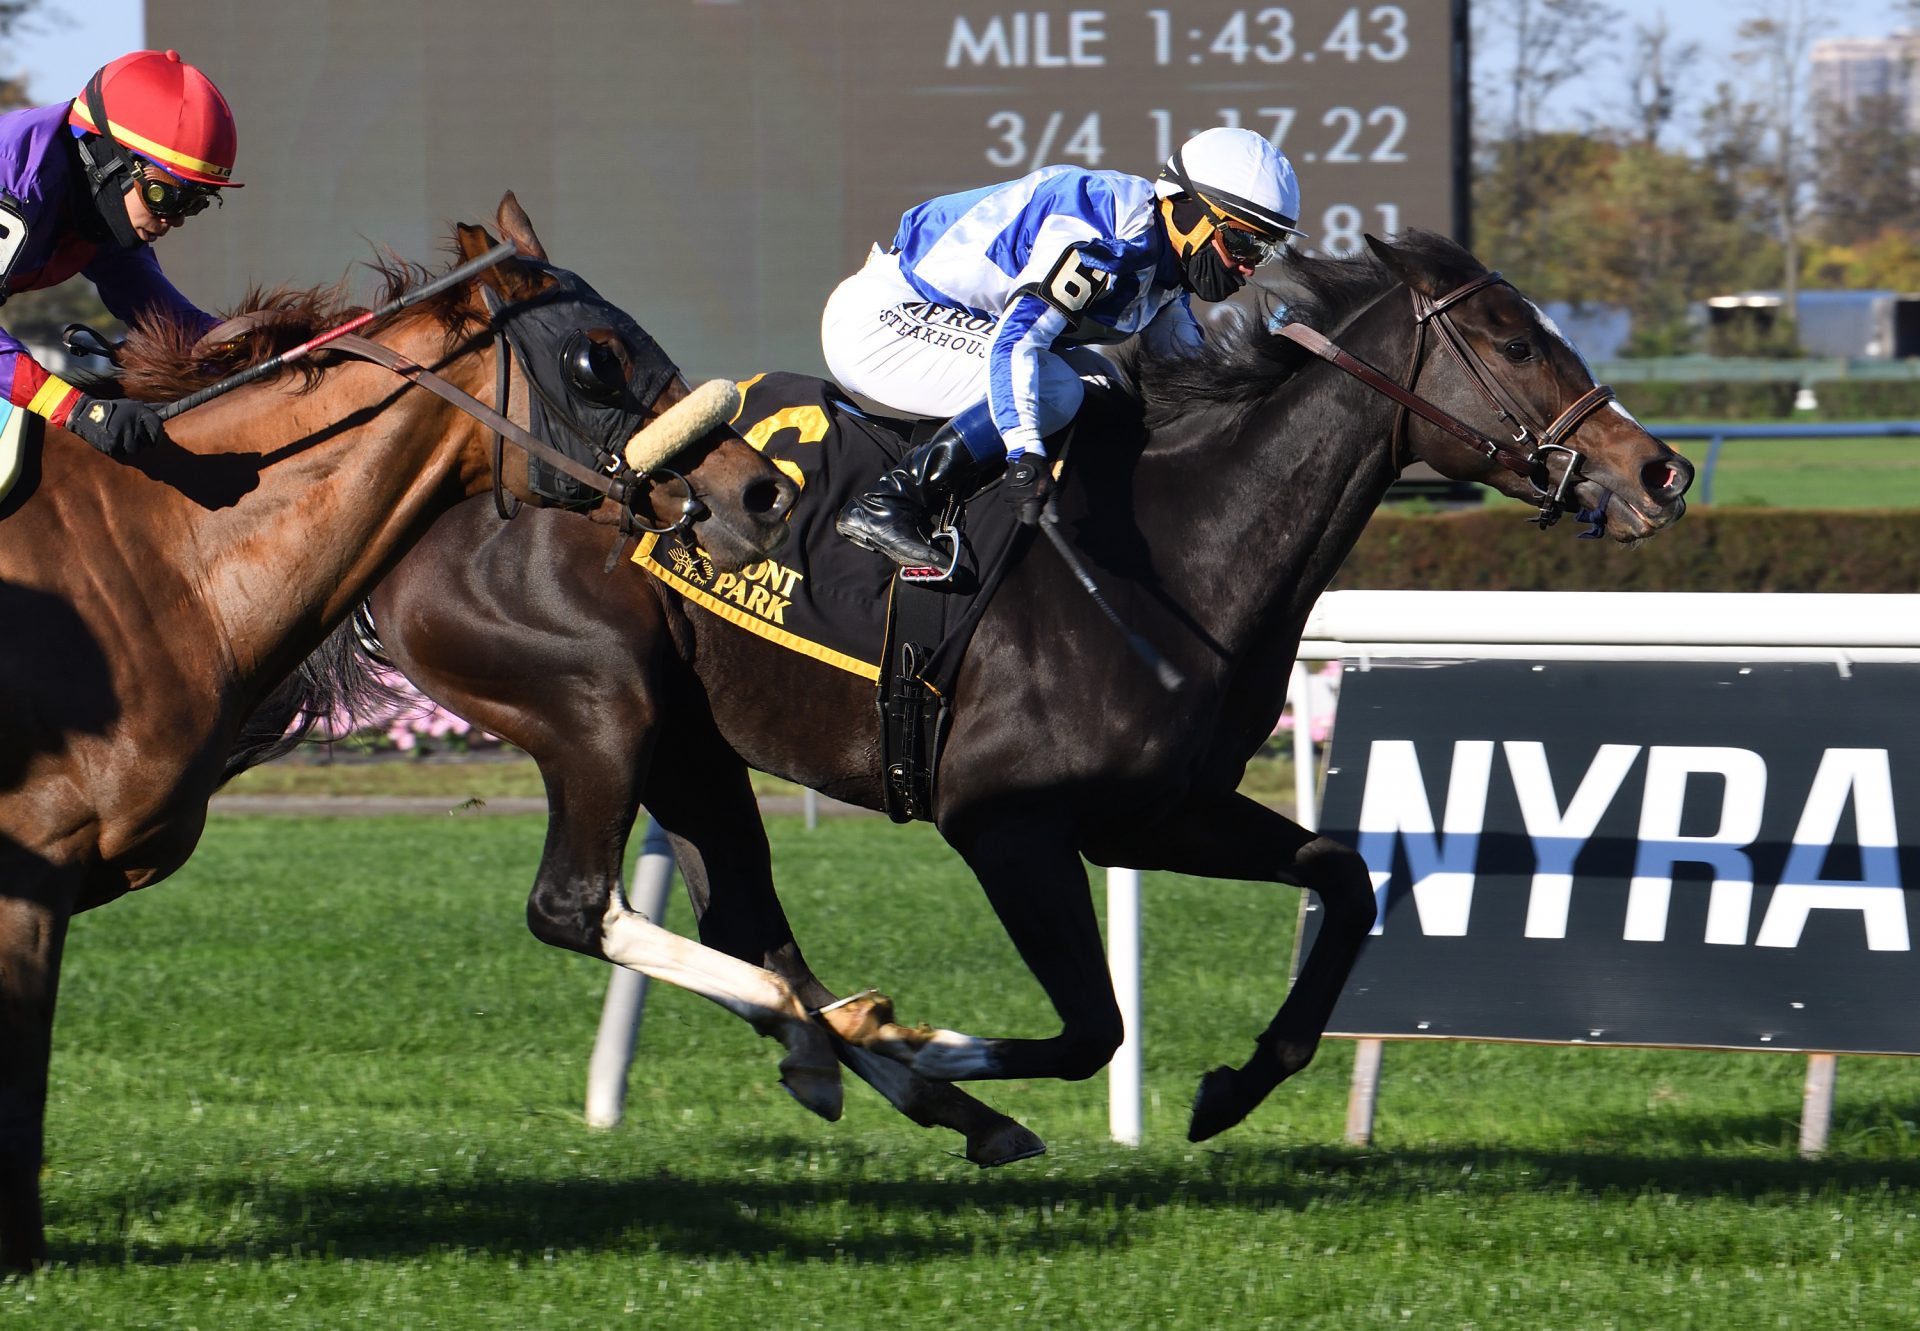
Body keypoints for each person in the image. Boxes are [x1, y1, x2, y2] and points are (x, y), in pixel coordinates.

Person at [823, 126, 1304, 571]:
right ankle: (891, 500)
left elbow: (1188, 386)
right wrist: (1025, 453)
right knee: (1055, 388)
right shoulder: (1105, 235)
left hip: (949, 321)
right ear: (1188, 211)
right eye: (1243, 243)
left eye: (1264, 251)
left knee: (1107, 388)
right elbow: (1016, 341)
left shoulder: (1165, 266)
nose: (1248, 268)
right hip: (880, 320)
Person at [0, 49, 240, 459]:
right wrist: (75, 409)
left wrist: (251, 344)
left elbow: (167, 316)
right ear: (110, 160)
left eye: (195, 203)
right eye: (165, 196)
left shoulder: (99, 197)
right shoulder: (18, 181)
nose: (175, 220)